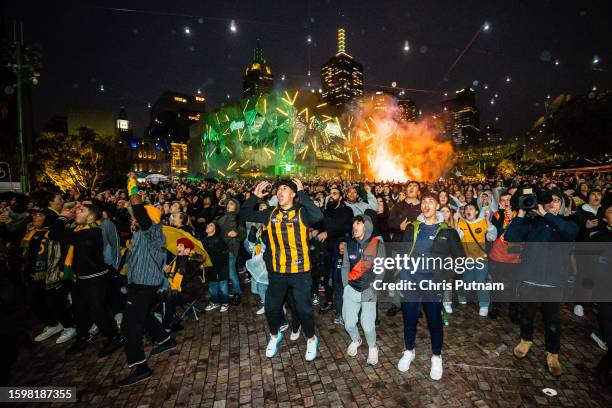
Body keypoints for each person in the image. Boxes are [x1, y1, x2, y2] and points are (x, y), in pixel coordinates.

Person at [240, 178, 324, 362]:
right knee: (271, 308)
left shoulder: (302, 212)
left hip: (300, 271)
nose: (280, 191)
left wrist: (303, 194)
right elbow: (243, 214)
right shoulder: (270, 213)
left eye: (285, 188)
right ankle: (274, 335)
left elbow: (318, 216)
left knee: (303, 309)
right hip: (277, 272)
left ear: (293, 194)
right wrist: (254, 197)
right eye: (278, 189)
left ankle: (311, 338)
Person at [504, 188, 578, 377]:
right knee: (527, 315)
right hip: (530, 278)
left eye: (556, 200)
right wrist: (521, 213)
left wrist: (546, 215)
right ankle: (525, 340)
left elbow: (570, 233)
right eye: (549, 200)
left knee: (552, 321)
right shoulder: (532, 222)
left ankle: (553, 353)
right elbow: (510, 237)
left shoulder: (566, 223)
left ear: (562, 205)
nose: (552, 203)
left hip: (554, 282)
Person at [397, 191, 464, 380]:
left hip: (433, 283)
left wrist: (444, 274)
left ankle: (436, 356)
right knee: (409, 319)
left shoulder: (448, 231)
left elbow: (460, 261)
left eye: (431, 202)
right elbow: (402, 253)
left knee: (434, 321)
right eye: (424, 202)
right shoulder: (412, 228)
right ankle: (409, 350)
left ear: (437, 207)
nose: (426, 205)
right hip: (410, 280)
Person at [118, 174, 176, 387]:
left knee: (129, 326)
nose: (132, 219)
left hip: (145, 285)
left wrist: (132, 186)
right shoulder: (141, 233)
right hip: (141, 284)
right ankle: (165, 340)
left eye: (136, 217)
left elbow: (139, 210)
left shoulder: (152, 231)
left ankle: (140, 367)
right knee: (144, 316)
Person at [52, 204, 122, 357]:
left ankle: (114, 336)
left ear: (91, 217)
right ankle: (83, 336)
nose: (77, 211)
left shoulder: (92, 232)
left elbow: (57, 234)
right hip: (81, 278)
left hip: (95, 279)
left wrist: (63, 217)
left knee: (97, 311)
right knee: (78, 310)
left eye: (81, 210)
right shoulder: (78, 230)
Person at [341, 215, 385, 365]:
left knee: (367, 325)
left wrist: (374, 287)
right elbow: (345, 264)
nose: (355, 226)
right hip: (351, 288)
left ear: (366, 225)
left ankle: (373, 347)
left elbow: (381, 269)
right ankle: (356, 340)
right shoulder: (349, 244)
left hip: (368, 289)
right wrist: (345, 285)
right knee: (349, 324)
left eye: (358, 223)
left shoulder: (376, 244)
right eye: (354, 223)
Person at [386, 181, 421, 317]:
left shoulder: (423, 206)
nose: (411, 188)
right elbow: (389, 223)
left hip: (416, 247)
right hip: (399, 245)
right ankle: (396, 304)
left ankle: (414, 305)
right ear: (406, 190)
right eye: (409, 186)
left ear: (418, 191)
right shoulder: (398, 205)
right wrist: (398, 226)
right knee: (397, 276)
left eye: (414, 186)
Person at [455, 203, 497, 317]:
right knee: (466, 281)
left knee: (480, 282)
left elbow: (492, 237)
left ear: (477, 212)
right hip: (468, 259)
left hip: (481, 259)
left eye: (471, 208)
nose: (468, 210)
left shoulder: (482, 223)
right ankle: (461, 294)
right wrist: (455, 221)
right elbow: (457, 236)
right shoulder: (461, 223)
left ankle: (484, 305)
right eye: (466, 209)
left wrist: (488, 222)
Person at [162, 237, 204, 331]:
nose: (178, 247)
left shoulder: (194, 260)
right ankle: (170, 321)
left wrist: (184, 256)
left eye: (181, 245)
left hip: (189, 290)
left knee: (168, 298)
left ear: (188, 249)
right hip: (178, 289)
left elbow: (185, 272)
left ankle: (167, 325)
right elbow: (173, 277)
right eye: (178, 245)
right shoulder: (177, 259)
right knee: (162, 296)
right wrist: (167, 271)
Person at [216, 198, 244, 304]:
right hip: (220, 249)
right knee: (222, 272)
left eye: (231, 204)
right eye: (228, 204)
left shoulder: (237, 219)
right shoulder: (221, 217)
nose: (228, 205)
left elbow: (243, 233)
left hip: (231, 249)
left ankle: (237, 293)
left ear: (236, 206)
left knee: (231, 273)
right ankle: (223, 292)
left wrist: (236, 233)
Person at [203, 222, 230, 312]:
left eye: (211, 225)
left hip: (220, 267)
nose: (207, 226)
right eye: (208, 224)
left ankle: (225, 303)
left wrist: (219, 270)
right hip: (210, 268)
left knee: (222, 287)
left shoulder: (219, 240)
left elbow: (223, 256)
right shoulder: (204, 240)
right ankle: (214, 302)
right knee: (212, 287)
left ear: (215, 229)